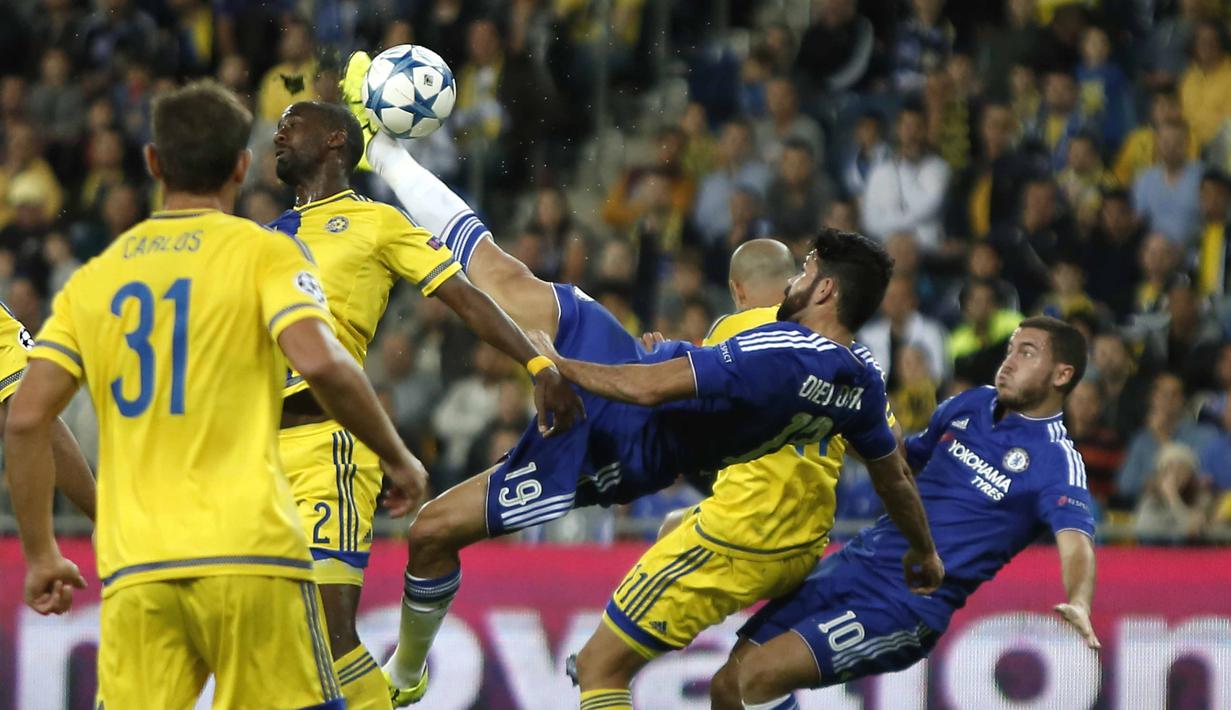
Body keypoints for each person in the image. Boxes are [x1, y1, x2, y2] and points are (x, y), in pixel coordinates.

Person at [5, 81, 428, 708]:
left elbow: (26, 419)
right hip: (247, 549)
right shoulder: (267, 252)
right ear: (239, 166)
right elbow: (322, 362)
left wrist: (41, 550)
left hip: (144, 556)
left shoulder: (99, 278)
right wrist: (397, 457)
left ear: (152, 164)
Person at [529, 231, 942, 710]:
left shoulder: (751, 334)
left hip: (740, 534)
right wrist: (924, 550)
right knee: (734, 687)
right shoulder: (862, 372)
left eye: (805, 274)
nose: (793, 285)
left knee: (600, 667)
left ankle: (625, 645)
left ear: (823, 290)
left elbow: (650, 390)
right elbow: (893, 466)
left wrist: (561, 363)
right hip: (803, 542)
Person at [268, 98, 583, 710]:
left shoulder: (377, 223)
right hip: (252, 451)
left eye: (294, 122)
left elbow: (463, 297)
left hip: (324, 443)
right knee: (265, 637)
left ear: (337, 138)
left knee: (328, 644)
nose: (278, 131)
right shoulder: (264, 237)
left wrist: (537, 361)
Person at [712, 317, 1099, 708]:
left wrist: (1079, 599)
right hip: (857, 563)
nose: (1009, 362)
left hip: (904, 604)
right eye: (1011, 349)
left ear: (1062, 374)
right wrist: (837, 419)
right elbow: (899, 463)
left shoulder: (1057, 461)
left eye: (1027, 353)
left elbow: (1077, 542)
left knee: (757, 678)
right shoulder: (972, 404)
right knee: (727, 684)